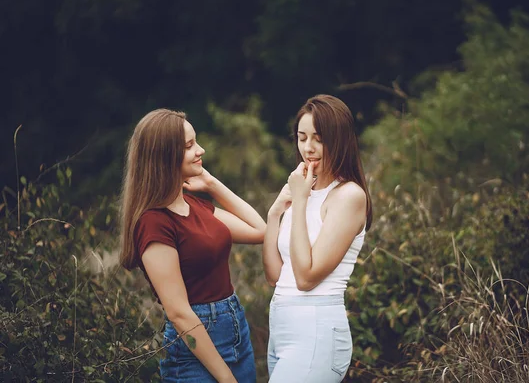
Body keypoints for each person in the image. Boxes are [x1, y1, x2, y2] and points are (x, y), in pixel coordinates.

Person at [119, 109, 266, 382]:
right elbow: (179, 313)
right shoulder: (153, 223)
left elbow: (260, 231)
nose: (201, 150)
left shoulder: (195, 206)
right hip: (195, 350)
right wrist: (226, 378)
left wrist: (211, 184)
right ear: (164, 156)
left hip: (236, 333)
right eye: (189, 146)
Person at [263, 94, 373, 382]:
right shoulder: (302, 190)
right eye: (302, 138)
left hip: (316, 331)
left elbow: (307, 277)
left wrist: (299, 202)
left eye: (318, 139)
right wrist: (275, 213)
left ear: (339, 141)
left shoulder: (349, 196)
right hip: (282, 329)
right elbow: (275, 276)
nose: (308, 148)